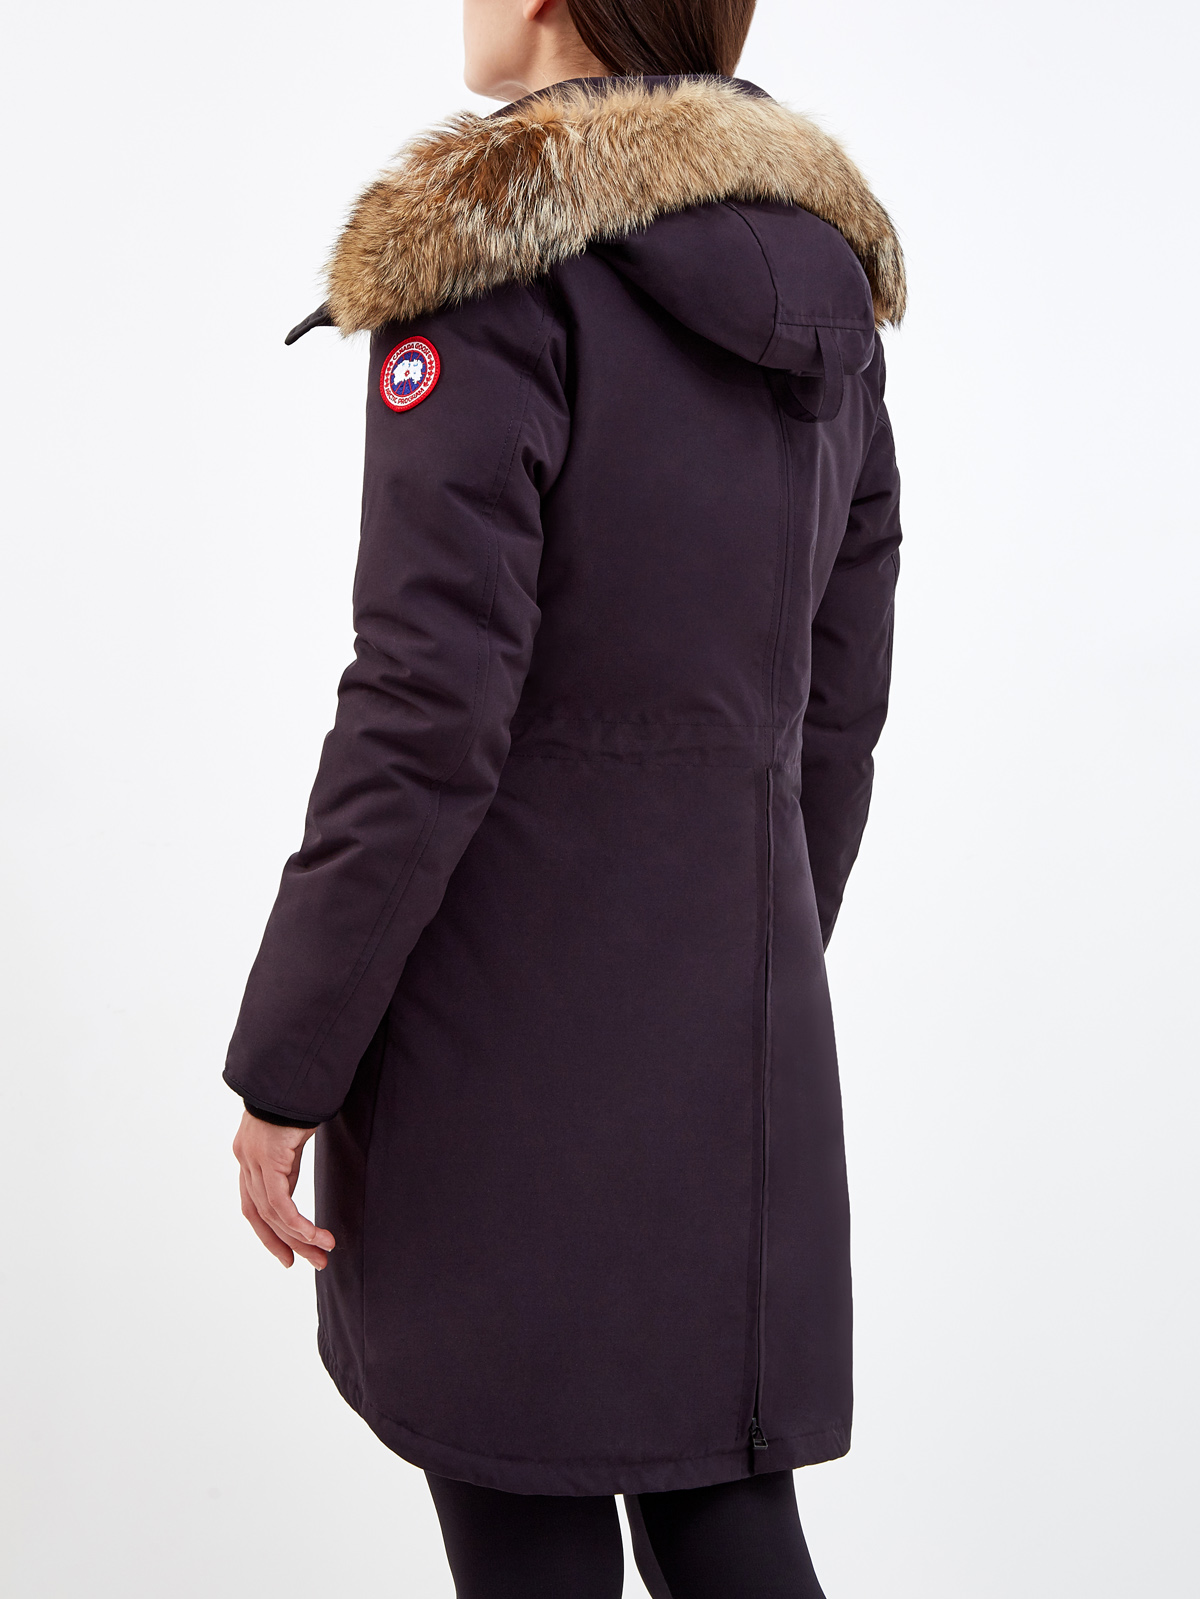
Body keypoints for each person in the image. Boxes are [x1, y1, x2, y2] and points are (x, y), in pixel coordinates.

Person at [226, 0, 905, 1592]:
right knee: (725, 1509)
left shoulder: (487, 273)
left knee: (527, 1519)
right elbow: (841, 699)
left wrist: (289, 1059)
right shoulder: (826, 290)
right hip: (736, 1038)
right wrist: (741, 961)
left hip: (496, 1046)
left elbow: (423, 709)